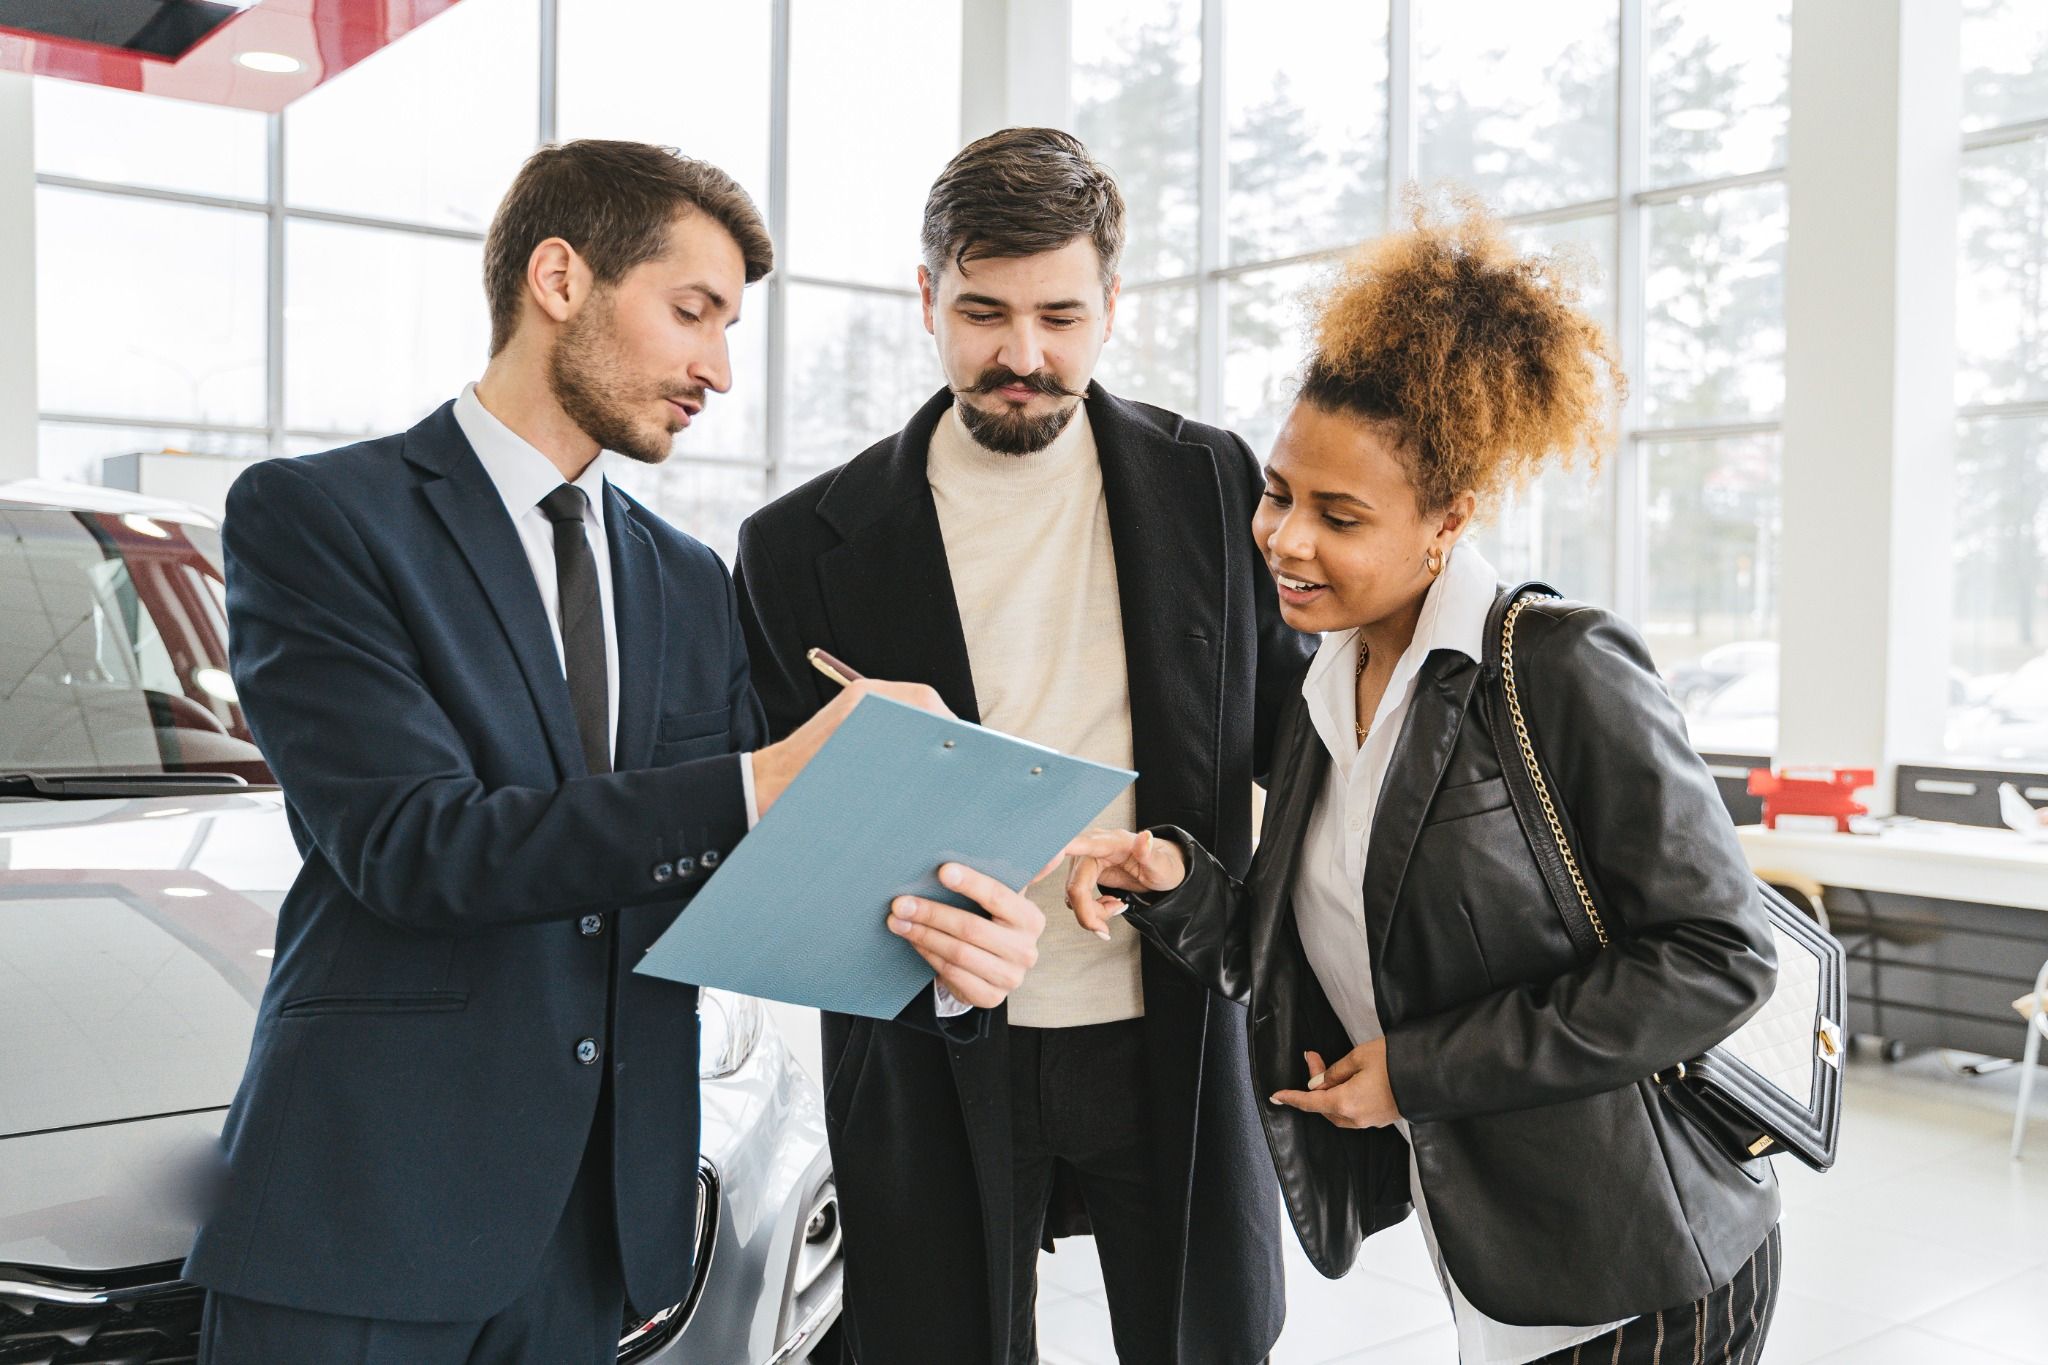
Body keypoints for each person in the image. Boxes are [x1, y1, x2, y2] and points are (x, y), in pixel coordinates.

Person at [186, 139, 1045, 1365]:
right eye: (693, 312)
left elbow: (759, 866)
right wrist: (766, 778)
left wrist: (949, 946)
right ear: (558, 278)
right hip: (368, 1221)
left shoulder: (687, 580)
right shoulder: (320, 518)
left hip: (603, 1242)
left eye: (729, 327)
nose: (719, 369)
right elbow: (411, 848)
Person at [1062, 196, 1783, 1365]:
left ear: (1446, 522)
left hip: (1637, 1263)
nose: (1286, 540)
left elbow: (1718, 954)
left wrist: (1419, 1072)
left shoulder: (1558, 669)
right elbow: (1303, 954)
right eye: (1279, 492)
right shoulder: (1323, 683)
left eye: (1337, 516)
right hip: (1492, 1247)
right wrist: (1174, 883)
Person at [734, 127, 1311, 1364]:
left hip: (1165, 1018)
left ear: (1112, 304)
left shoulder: (1211, 481)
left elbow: (1294, 736)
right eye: (984, 313)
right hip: (926, 1042)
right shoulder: (796, 547)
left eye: (1059, 314)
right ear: (926, 298)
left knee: (1209, 1339)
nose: (1022, 356)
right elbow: (776, 835)